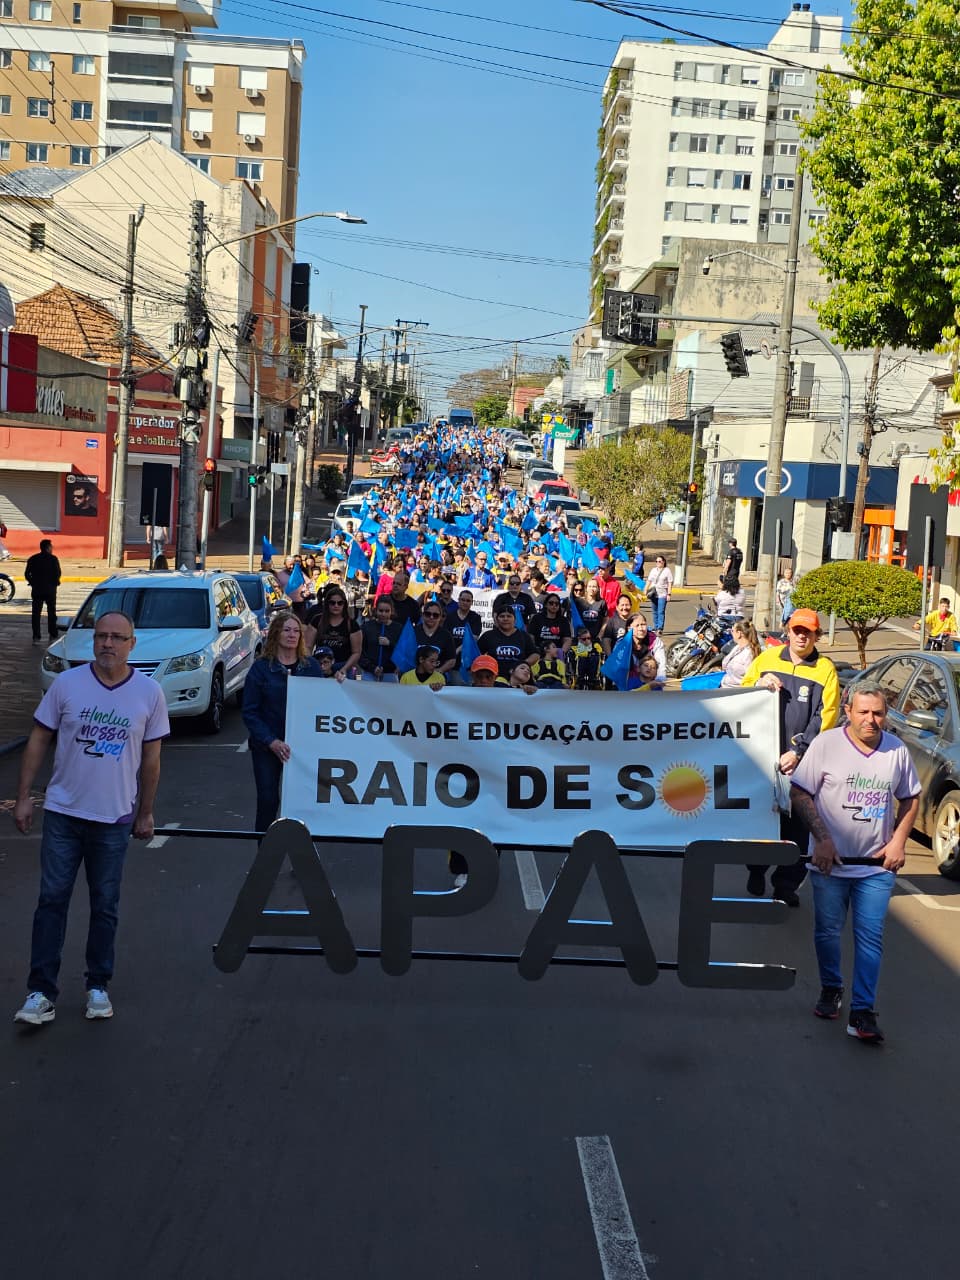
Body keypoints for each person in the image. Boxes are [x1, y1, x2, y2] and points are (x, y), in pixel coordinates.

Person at [13, 610, 169, 1025]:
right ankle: (40, 992)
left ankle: (98, 985)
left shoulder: (149, 693)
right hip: (63, 813)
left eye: (117, 637)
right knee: (51, 901)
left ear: (132, 644)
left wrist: (146, 812)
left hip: (113, 818)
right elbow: (39, 739)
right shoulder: (68, 684)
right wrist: (24, 797)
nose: (107, 644)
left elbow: (151, 760)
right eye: (101, 636)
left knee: (105, 905)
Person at [790, 682, 920, 1043]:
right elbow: (799, 791)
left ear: (886, 715)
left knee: (870, 937)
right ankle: (831, 987)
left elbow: (911, 797)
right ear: (848, 711)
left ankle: (863, 1011)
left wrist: (898, 841)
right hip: (831, 864)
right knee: (828, 933)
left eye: (878, 713)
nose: (870, 720)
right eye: (863, 712)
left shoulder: (896, 750)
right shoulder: (826, 745)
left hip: (875, 867)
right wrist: (822, 839)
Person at [741, 607, 840, 906]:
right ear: (788, 631)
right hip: (763, 758)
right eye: (797, 630)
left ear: (816, 636)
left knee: (798, 826)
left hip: (802, 763)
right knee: (761, 820)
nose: (801, 636)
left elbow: (826, 717)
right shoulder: (766, 659)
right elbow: (740, 696)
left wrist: (799, 751)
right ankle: (756, 868)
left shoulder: (825, 670)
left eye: (807, 632)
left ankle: (785, 885)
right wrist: (758, 685)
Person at [241, 612, 323, 832]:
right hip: (267, 747)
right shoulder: (260, 669)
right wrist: (272, 741)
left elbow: (324, 702)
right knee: (268, 800)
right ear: (276, 634)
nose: (292, 635)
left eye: (296, 631)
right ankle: (264, 850)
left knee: (301, 803)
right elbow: (250, 712)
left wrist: (340, 683)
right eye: (287, 630)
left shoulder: (311, 667)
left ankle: (300, 849)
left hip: (302, 747)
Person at [304, 586, 361, 676]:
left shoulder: (352, 624)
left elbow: (356, 652)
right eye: (332, 603)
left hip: (343, 668)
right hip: (320, 666)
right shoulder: (317, 620)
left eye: (340, 603)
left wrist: (344, 669)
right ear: (327, 603)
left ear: (344, 604)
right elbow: (307, 646)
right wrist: (313, 665)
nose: (336, 605)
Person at [478, 602, 539, 678]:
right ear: (497, 619)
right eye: (502, 616)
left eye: (509, 616)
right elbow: (476, 654)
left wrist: (522, 665)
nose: (505, 619)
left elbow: (535, 654)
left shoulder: (524, 636)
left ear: (515, 619)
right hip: (494, 678)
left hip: (518, 679)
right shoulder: (488, 635)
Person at [358, 595, 404, 682]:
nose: (383, 614)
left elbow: (402, 650)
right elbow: (360, 652)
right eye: (381, 611)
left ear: (392, 611)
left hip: (390, 673)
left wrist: (390, 644)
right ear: (376, 610)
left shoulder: (398, 628)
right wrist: (372, 668)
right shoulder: (367, 627)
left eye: (387, 611)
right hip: (369, 673)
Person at [24, 538, 61, 645]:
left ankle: (36, 637)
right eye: (51, 547)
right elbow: (58, 573)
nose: (52, 549)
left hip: (37, 590)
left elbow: (27, 574)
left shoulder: (33, 558)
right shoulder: (53, 559)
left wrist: (32, 582)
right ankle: (53, 634)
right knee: (51, 613)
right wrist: (55, 582)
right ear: (48, 548)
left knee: (36, 614)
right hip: (50, 590)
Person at [720, 620, 761, 688]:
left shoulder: (748, 654)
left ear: (739, 633)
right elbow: (725, 665)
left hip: (733, 691)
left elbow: (751, 680)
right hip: (724, 685)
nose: (731, 633)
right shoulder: (737, 647)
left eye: (732, 631)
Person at [644, 554, 672, 633]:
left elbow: (670, 583)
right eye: (656, 561)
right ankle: (656, 626)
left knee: (661, 611)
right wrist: (645, 589)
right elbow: (649, 580)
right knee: (654, 611)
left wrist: (669, 594)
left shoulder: (667, 571)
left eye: (659, 561)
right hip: (654, 593)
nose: (658, 563)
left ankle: (660, 628)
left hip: (662, 594)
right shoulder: (653, 570)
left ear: (663, 562)